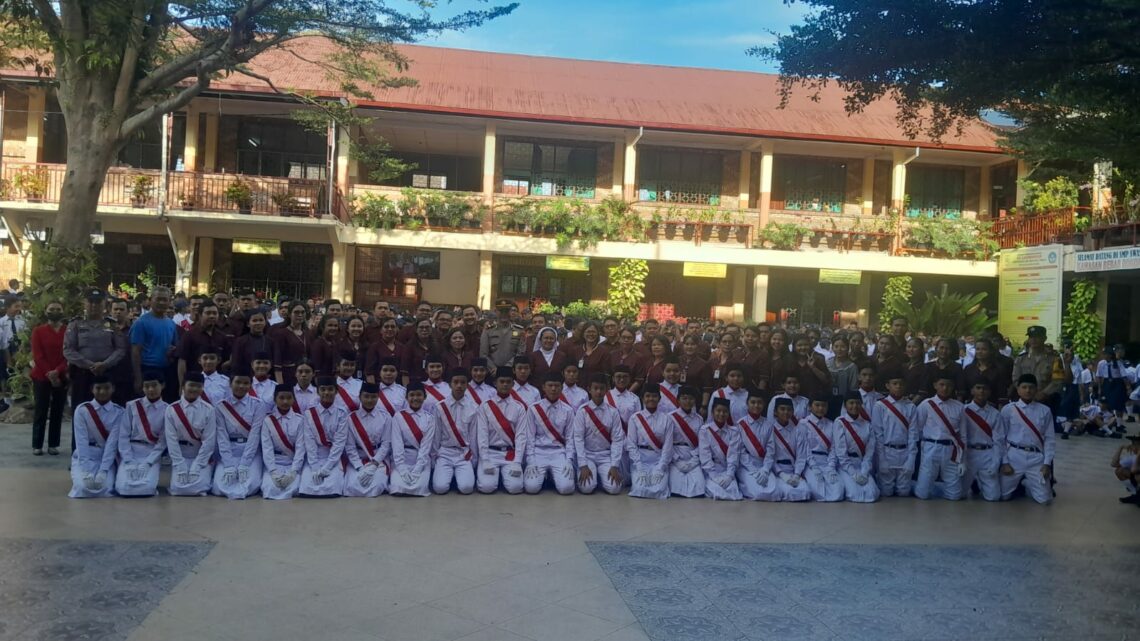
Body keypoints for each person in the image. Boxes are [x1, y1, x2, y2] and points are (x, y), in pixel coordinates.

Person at [64, 288, 127, 409]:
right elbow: (68, 350)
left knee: (107, 411)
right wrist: (89, 365)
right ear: (85, 302)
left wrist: (105, 364)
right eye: (91, 301)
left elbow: (120, 349)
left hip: (106, 373)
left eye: (98, 302)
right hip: (82, 374)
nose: (94, 305)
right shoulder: (75, 323)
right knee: (81, 409)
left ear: (104, 303)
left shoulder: (112, 324)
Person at [1000, 374, 1056, 505]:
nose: (1027, 391)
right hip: (1014, 455)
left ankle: (1026, 482)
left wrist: (1047, 464)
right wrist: (1004, 462)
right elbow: (1001, 438)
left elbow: (1050, 439)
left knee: (1045, 500)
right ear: (1018, 389)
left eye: (1031, 387)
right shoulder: (1008, 410)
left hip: (1036, 457)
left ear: (1036, 389)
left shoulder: (1045, 411)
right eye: (1024, 387)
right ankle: (1019, 482)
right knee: (1002, 496)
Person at [212, 370, 267, 499]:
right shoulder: (221, 406)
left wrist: (245, 463)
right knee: (220, 486)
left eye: (245, 383)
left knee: (250, 485)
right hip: (229, 449)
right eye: (237, 382)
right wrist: (228, 464)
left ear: (250, 385)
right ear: (230, 384)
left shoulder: (258, 405)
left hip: (250, 451)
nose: (241, 386)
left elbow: (255, 435)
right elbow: (221, 436)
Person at [913, 375, 967, 501]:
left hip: (951, 450)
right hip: (931, 447)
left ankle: (937, 486)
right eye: (942, 384)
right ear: (935, 385)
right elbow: (919, 429)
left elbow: (963, 436)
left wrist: (963, 460)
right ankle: (918, 485)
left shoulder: (959, 407)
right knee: (923, 495)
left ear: (953, 387)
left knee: (955, 496)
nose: (945, 388)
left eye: (948, 385)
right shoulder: (926, 405)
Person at [164, 372, 218, 496]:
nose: (194, 389)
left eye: (199, 386)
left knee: (198, 488)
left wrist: (198, 464)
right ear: (183, 386)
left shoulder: (209, 410)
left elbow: (209, 441)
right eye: (191, 385)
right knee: (178, 488)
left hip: (200, 456)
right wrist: (179, 463)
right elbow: (171, 440)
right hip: (181, 456)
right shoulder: (171, 409)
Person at [476, 367, 528, 494]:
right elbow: (482, 435)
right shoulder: (485, 406)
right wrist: (485, 459)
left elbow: (521, 436)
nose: (505, 384)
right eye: (502, 381)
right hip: (490, 453)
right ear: (495, 383)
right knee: (486, 488)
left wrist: (517, 461)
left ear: (513, 384)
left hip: (510, 454)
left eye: (508, 382)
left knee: (515, 488)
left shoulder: (519, 407)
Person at [68, 377, 122, 498]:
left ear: (113, 389)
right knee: (83, 488)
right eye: (98, 388)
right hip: (85, 456)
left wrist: (104, 470)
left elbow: (112, 443)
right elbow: (81, 441)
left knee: (105, 488)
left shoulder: (119, 412)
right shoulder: (82, 410)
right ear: (92, 389)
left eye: (107, 388)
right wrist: (86, 471)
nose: (102, 392)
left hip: (106, 457)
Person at [115, 373, 167, 497]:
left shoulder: (167, 409)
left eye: (154, 385)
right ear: (142, 388)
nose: (150, 390)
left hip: (151, 452)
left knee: (147, 488)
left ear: (162, 386)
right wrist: (128, 460)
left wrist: (149, 462)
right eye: (146, 386)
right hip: (131, 451)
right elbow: (123, 435)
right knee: (124, 488)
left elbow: (163, 441)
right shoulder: (132, 406)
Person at [524, 372, 576, 495]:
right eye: (550, 385)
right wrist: (530, 460)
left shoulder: (568, 410)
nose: (553, 389)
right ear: (543, 387)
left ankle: (553, 477)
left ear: (562, 388)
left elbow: (570, 438)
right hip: (538, 452)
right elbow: (529, 437)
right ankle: (547, 476)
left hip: (558, 453)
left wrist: (569, 460)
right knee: (531, 488)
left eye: (557, 386)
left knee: (566, 489)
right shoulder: (533, 409)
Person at [572, 373, 625, 495]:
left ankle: (600, 477)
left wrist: (614, 465)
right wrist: (583, 465)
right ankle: (594, 476)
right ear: (589, 389)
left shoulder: (613, 412)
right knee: (587, 488)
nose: (598, 392)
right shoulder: (582, 411)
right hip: (587, 455)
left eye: (602, 388)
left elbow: (617, 439)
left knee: (615, 489)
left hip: (606, 456)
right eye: (595, 388)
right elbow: (578, 439)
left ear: (606, 390)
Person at [30, 300, 69, 455]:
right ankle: (37, 445)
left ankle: (53, 444)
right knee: (41, 410)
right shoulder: (38, 331)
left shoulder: (68, 331)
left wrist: (57, 372)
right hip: (41, 376)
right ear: (46, 311)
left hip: (61, 376)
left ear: (63, 311)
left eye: (58, 309)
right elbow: (38, 356)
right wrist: (50, 374)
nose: (55, 311)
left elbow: (69, 354)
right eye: (51, 309)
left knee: (57, 411)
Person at [298, 376, 348, 497]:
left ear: (336, 391)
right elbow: (309, 441)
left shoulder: (342, 413)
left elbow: (339, 442)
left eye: (330, 389)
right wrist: (314, 466)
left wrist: (328, 466)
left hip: (334, 456)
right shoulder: (309, 413)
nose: (326, 393)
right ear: (318, 391)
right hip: (314, 456)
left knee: (332, 486)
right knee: (307, 486)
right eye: (323, 389)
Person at [432, 369, 478, 495]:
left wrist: (473, 459)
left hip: (463, 454)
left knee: (467, 488)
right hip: (445, 452)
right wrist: (434, 456)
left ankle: (459, 477)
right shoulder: (440, 407)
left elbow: (473, 437)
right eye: (455, 382)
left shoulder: (473, 407)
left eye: (463, 382)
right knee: (440, 488)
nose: (459, 385)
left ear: (467, 385)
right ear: (449, 384)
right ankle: (447, 476)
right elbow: (436, 435)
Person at [872, 375, 918, 497]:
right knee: (886, 492)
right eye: (895, 383)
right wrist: (881, 459)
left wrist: (911, 459)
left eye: (901, 384)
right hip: (887, 451)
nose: (898, 386)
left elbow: (913, 434)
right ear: (888, 385)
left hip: (905, 451)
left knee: (903, 492)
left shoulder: (911, 406)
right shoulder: (880, 406)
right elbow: (878, 434)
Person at [626, 382, 674, 499]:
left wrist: (661, 467)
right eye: (647, 396)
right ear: (642, 398)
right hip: (641, 459)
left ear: (659, 398)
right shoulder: (635, 418)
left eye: (654, 396)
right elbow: (631, 445)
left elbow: (668, 447)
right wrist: (639, 466)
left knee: (659, 489)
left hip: (658, 460)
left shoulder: (667, 419)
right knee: (639, 489)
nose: (651, 399)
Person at [343, 382, 392, 498]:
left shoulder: (386, 417)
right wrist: (359, 467)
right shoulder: (351, 418)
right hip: (358, 459)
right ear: (360, 397)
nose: (369, 400)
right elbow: (349, 447)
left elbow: (386, 444)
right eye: (366, 396)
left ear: (378, 397)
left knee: (375, 488)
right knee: (351, 487)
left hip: (378, 459)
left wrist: (374, 464)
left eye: (373, 397)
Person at [960, 381, 1006, 501]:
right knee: (958, 494)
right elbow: (961, 438)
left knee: (993, 497)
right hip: (969, 454)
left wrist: (996, 462)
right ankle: (974, 480)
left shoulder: (995, 414)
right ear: (972, 391)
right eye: (978, 387)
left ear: (989, 392)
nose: (981, 391)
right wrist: (961, 460)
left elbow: (999, 440)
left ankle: (979, 481)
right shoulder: (963, 411)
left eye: (985, 388)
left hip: (987, 454)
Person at [131, 286, 178, 401]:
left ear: (169, 301)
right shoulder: (141, 323)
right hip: (147, 370)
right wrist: (138, 378)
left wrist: (172, 351)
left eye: (165, 300)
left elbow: (175, 345)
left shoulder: (171, 323)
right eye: (158, 299)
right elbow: (135, 351)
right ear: (150, 300)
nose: (161, 302)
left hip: (166, 370)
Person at [389, 382, 436, 496]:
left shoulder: (429, 418)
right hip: (402, 458)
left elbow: (426, 446)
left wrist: (417, 470)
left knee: (419, 487)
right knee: (397, 487)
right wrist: (402, 468)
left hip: (421, 460)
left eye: (419, 395)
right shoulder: (398, 416)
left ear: (424, 397)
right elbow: (397, 444)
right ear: (406, 397)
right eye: (412, 395)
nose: (415, 398)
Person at [260, 384, 305, 500]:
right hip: (275, 462)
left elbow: (300, 448)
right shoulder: (268, 421)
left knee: (293, 487)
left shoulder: (300, 420)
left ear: (294, 399)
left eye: (289, 398)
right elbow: (267, 448)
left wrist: (294, 471)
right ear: (275, 399)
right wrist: (273, 471)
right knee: (270, 488)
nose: (285, 401)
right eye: (281, 398)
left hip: (292, 462)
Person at [835, 391, 880, 503]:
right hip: (845, 465)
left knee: (872, 494)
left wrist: (864, 472)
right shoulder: (840, 422)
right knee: (856, 494)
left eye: (858, 403)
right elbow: (841, 452)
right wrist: (853, 473)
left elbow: (869, 452)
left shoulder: (867, 424)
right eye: (851, 403)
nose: (855, 406)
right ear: (845, 405)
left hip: (862, 464)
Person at [1011, 325, 1066, 417]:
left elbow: (1057, 381)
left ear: (1044, 338)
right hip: (1024, 401)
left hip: (1047, 401)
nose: (1033, 340)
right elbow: (1016, 379)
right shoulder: (1020, 359)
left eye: (1037, 337)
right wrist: (1025, 393)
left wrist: (1043, 393)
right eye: (1031, 337)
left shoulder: (1054, 359)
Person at [176, 300, 231, 385]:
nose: (212, 316)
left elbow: (226, 361)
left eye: (214, 313)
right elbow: (182, 361)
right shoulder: (189, 335)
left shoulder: (222, 337)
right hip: (194, 383)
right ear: (200, 315)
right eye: (208, 313)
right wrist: (182, 385)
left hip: (217, 384)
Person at [768, 397, 812, 501]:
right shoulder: (770, 430)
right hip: (778, 471)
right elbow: (769, 456)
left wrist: (797, 474)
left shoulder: (797, 431)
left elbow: (801, 456)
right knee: (787, 492)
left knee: (805, 492)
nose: (786, 412)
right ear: (775, 412)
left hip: (793, 470)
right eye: (782, 409)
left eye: (789, 410)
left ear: (792, 412)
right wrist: (781, 474)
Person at [699, 397, 743, 501]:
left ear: (728, 413)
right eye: (718, 411)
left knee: (733, 491)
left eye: (725, 411)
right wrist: (714, 476)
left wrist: (729, 475)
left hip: (727, 469)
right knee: (715, 491)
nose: (721, 414)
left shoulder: (734, 431)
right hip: (711, 470)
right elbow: (705, 456)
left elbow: (734, 455)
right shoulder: (705, 430)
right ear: (712, 412)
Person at [802, 394, 844, 502]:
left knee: (838, 491)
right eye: (817, 405)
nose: (820, 408)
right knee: (818, 491)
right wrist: (813, 466)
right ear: (810, 407)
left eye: (824, 405)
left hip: (826, 462)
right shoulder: (803, 424)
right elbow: (804, 448)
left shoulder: (831, 424)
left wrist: (831, 466)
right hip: (810, 463)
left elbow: (833, 448)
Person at [668, 385, 706, 497]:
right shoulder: (670, 418)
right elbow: (667, 443)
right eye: (684, 398)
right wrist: (676, 460)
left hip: (692, 454)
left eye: (691, 398)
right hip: (675, 455)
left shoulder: (699, 419)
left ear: (695, 400)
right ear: (678, 400)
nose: (687, 401)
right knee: (676, 487)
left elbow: (702, 443)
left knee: (699, 485)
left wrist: (694, 461)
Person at [272, 301, 310, 386]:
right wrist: (281, 385)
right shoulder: (281, 333)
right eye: (296, 312)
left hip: (305, 376)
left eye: (303, 312)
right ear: (289, 314)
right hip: (288, 376)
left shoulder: (308, 333)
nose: (300, 315)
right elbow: (277, 361)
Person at [0, 296, 27, 413]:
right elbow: (3, 342)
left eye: (20, 306)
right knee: (6, 376)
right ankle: (7, 402)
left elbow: (26, 336)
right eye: (16, 306)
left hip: (20, 350)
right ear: (7, 307)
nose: (19, 309)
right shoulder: (1, 322)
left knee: (20, 374)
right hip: (5, 350)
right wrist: (8, 359)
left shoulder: (23, 321)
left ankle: (20, 399)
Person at [606, 365, 641, 430]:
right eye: (618, 376)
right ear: (613, 378)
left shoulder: (635, 399)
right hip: (608, 435)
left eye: (625, 377)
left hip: (627, 436)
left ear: (629, 379)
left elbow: (637, 422)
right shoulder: (605, 397)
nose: (622, 380)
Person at [1112, 434, 1140, 504]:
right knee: (1119, 471)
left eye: (1135, 445)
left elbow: (1134, 470)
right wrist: (1120, 448)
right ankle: (1135, 495)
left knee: (1137, 476)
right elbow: (1114, 464)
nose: (1132, 447)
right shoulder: (1133, 456)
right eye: (1132, 444)